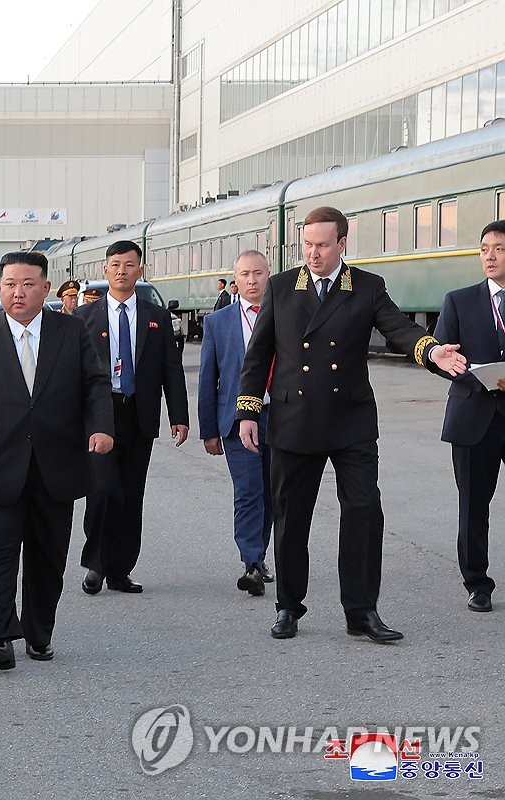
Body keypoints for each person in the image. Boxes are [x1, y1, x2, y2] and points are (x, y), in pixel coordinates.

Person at [236, 205, 466, 642]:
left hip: (350, 421)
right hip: (294, 419)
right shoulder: (283, 287)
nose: (314, 253)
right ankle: (288, 606)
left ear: (343, 243)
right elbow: (259, 354)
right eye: (307, 244)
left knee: (363, 513)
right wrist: (248, 410)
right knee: (291, 519)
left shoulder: (366, 286)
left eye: (323, 245)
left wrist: (431, 351)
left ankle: (361, 611)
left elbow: (398, 329)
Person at [0, 251, 114, 670]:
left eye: (27, 284)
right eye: (9, 284)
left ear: (45, 288)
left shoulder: (70, 331)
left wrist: (102, 426)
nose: (18, 292)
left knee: (47, 555)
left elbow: (94, 384)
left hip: (57, 462)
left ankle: (39, 633)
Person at [76, 240, 189, 595]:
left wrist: (179, 416)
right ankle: (96, 563)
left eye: (129, 265)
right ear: (105, 271)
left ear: (140, 270)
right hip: (99, 413)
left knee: (130, 494)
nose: (122, 271)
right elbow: (71, 373)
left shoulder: (155, 317)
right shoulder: (84, 318)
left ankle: (120, 569)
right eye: (115, 265)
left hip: (139, 411)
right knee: (103, 489)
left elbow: (171, 369)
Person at [431, 220, 505, 613]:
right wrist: (454, 364)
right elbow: (441, 356)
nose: (489, 256)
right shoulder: (458, 301)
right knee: (474, 505)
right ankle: (477, 583)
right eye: (484, 248)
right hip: (474, 415)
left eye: (499, 248)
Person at [198, 251, 274, 596]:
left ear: (268, 274)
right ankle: (252, 562)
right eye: (245, 274)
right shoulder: (219, 322)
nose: (252, 280)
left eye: (258, 273)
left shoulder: (285, 315)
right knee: (248, 492)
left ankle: (260, 554)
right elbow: (207, 379)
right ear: (235, 279)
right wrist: (209, 429)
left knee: (272, 493)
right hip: (236, 421)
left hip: (281, 417)